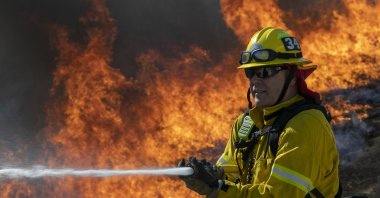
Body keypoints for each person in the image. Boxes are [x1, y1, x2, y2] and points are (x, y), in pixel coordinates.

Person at [178, 27, 341, 198]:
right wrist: (211, 177)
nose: (255, 80)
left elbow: (279, 196)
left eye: (266, 72)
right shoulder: (246, 124)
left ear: (293, 76)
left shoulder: (305, 125)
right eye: (251, 72)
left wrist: (217, 189)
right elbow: (231, 177)